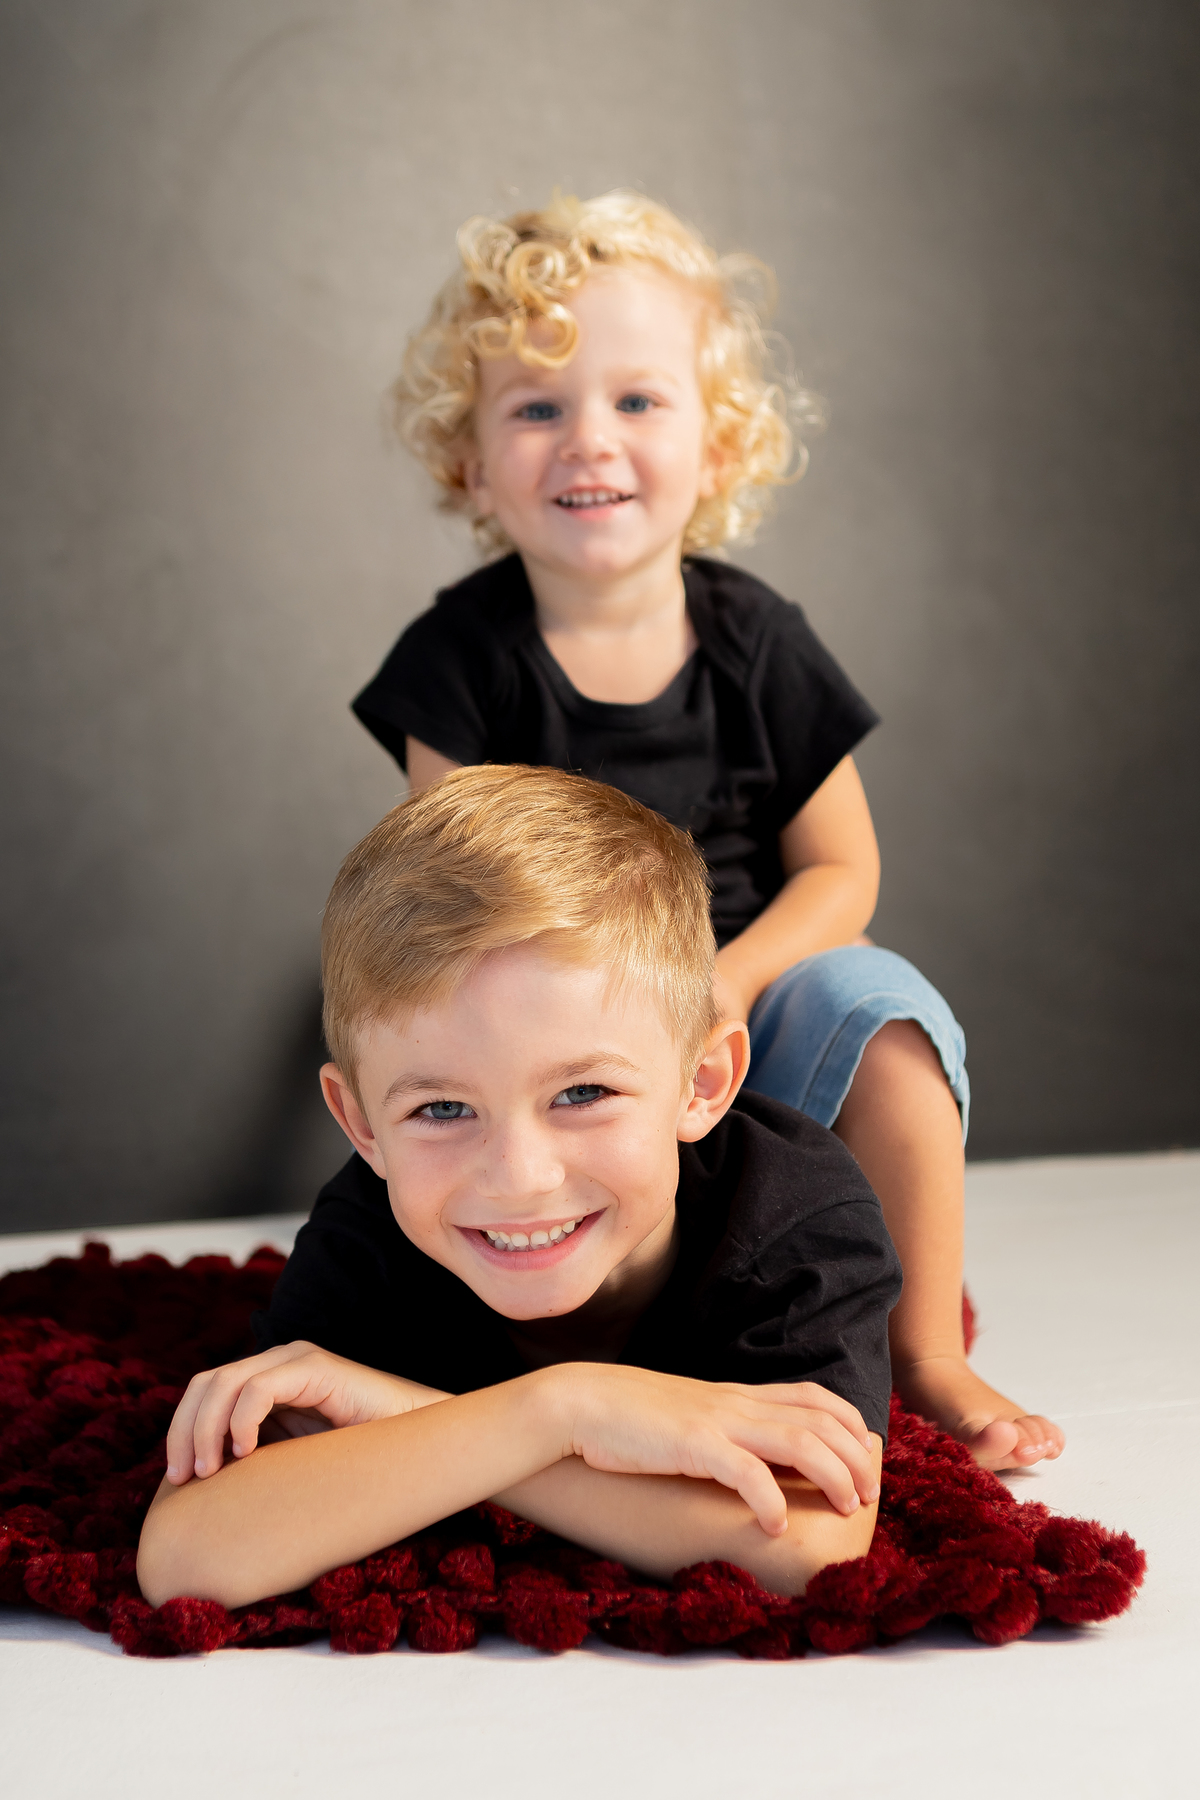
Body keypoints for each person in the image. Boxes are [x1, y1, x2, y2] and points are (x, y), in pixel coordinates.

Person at [350, 189, 1063, 1472]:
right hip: (560, 1037)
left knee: (884, 1006)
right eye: (537, 409)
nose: (589, 440)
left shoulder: (757, 642)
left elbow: (843, 869)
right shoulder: (460, 660)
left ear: (719, 446)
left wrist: (725, 983)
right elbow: (439, 904)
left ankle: (924, 1355)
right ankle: (544, 1333)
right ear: (470, 462)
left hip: (748, 1007)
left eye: (638, 400)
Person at [137, 766, 901, 1610]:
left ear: (702, 1084)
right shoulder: (370, 1232)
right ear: (362, 1126)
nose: (519, 1178)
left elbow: (811, 1545)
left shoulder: (796, 1216)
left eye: (583, 1093)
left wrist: (404, 1413)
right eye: (441, 1109)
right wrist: (561, 1412)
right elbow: (185, 1556)